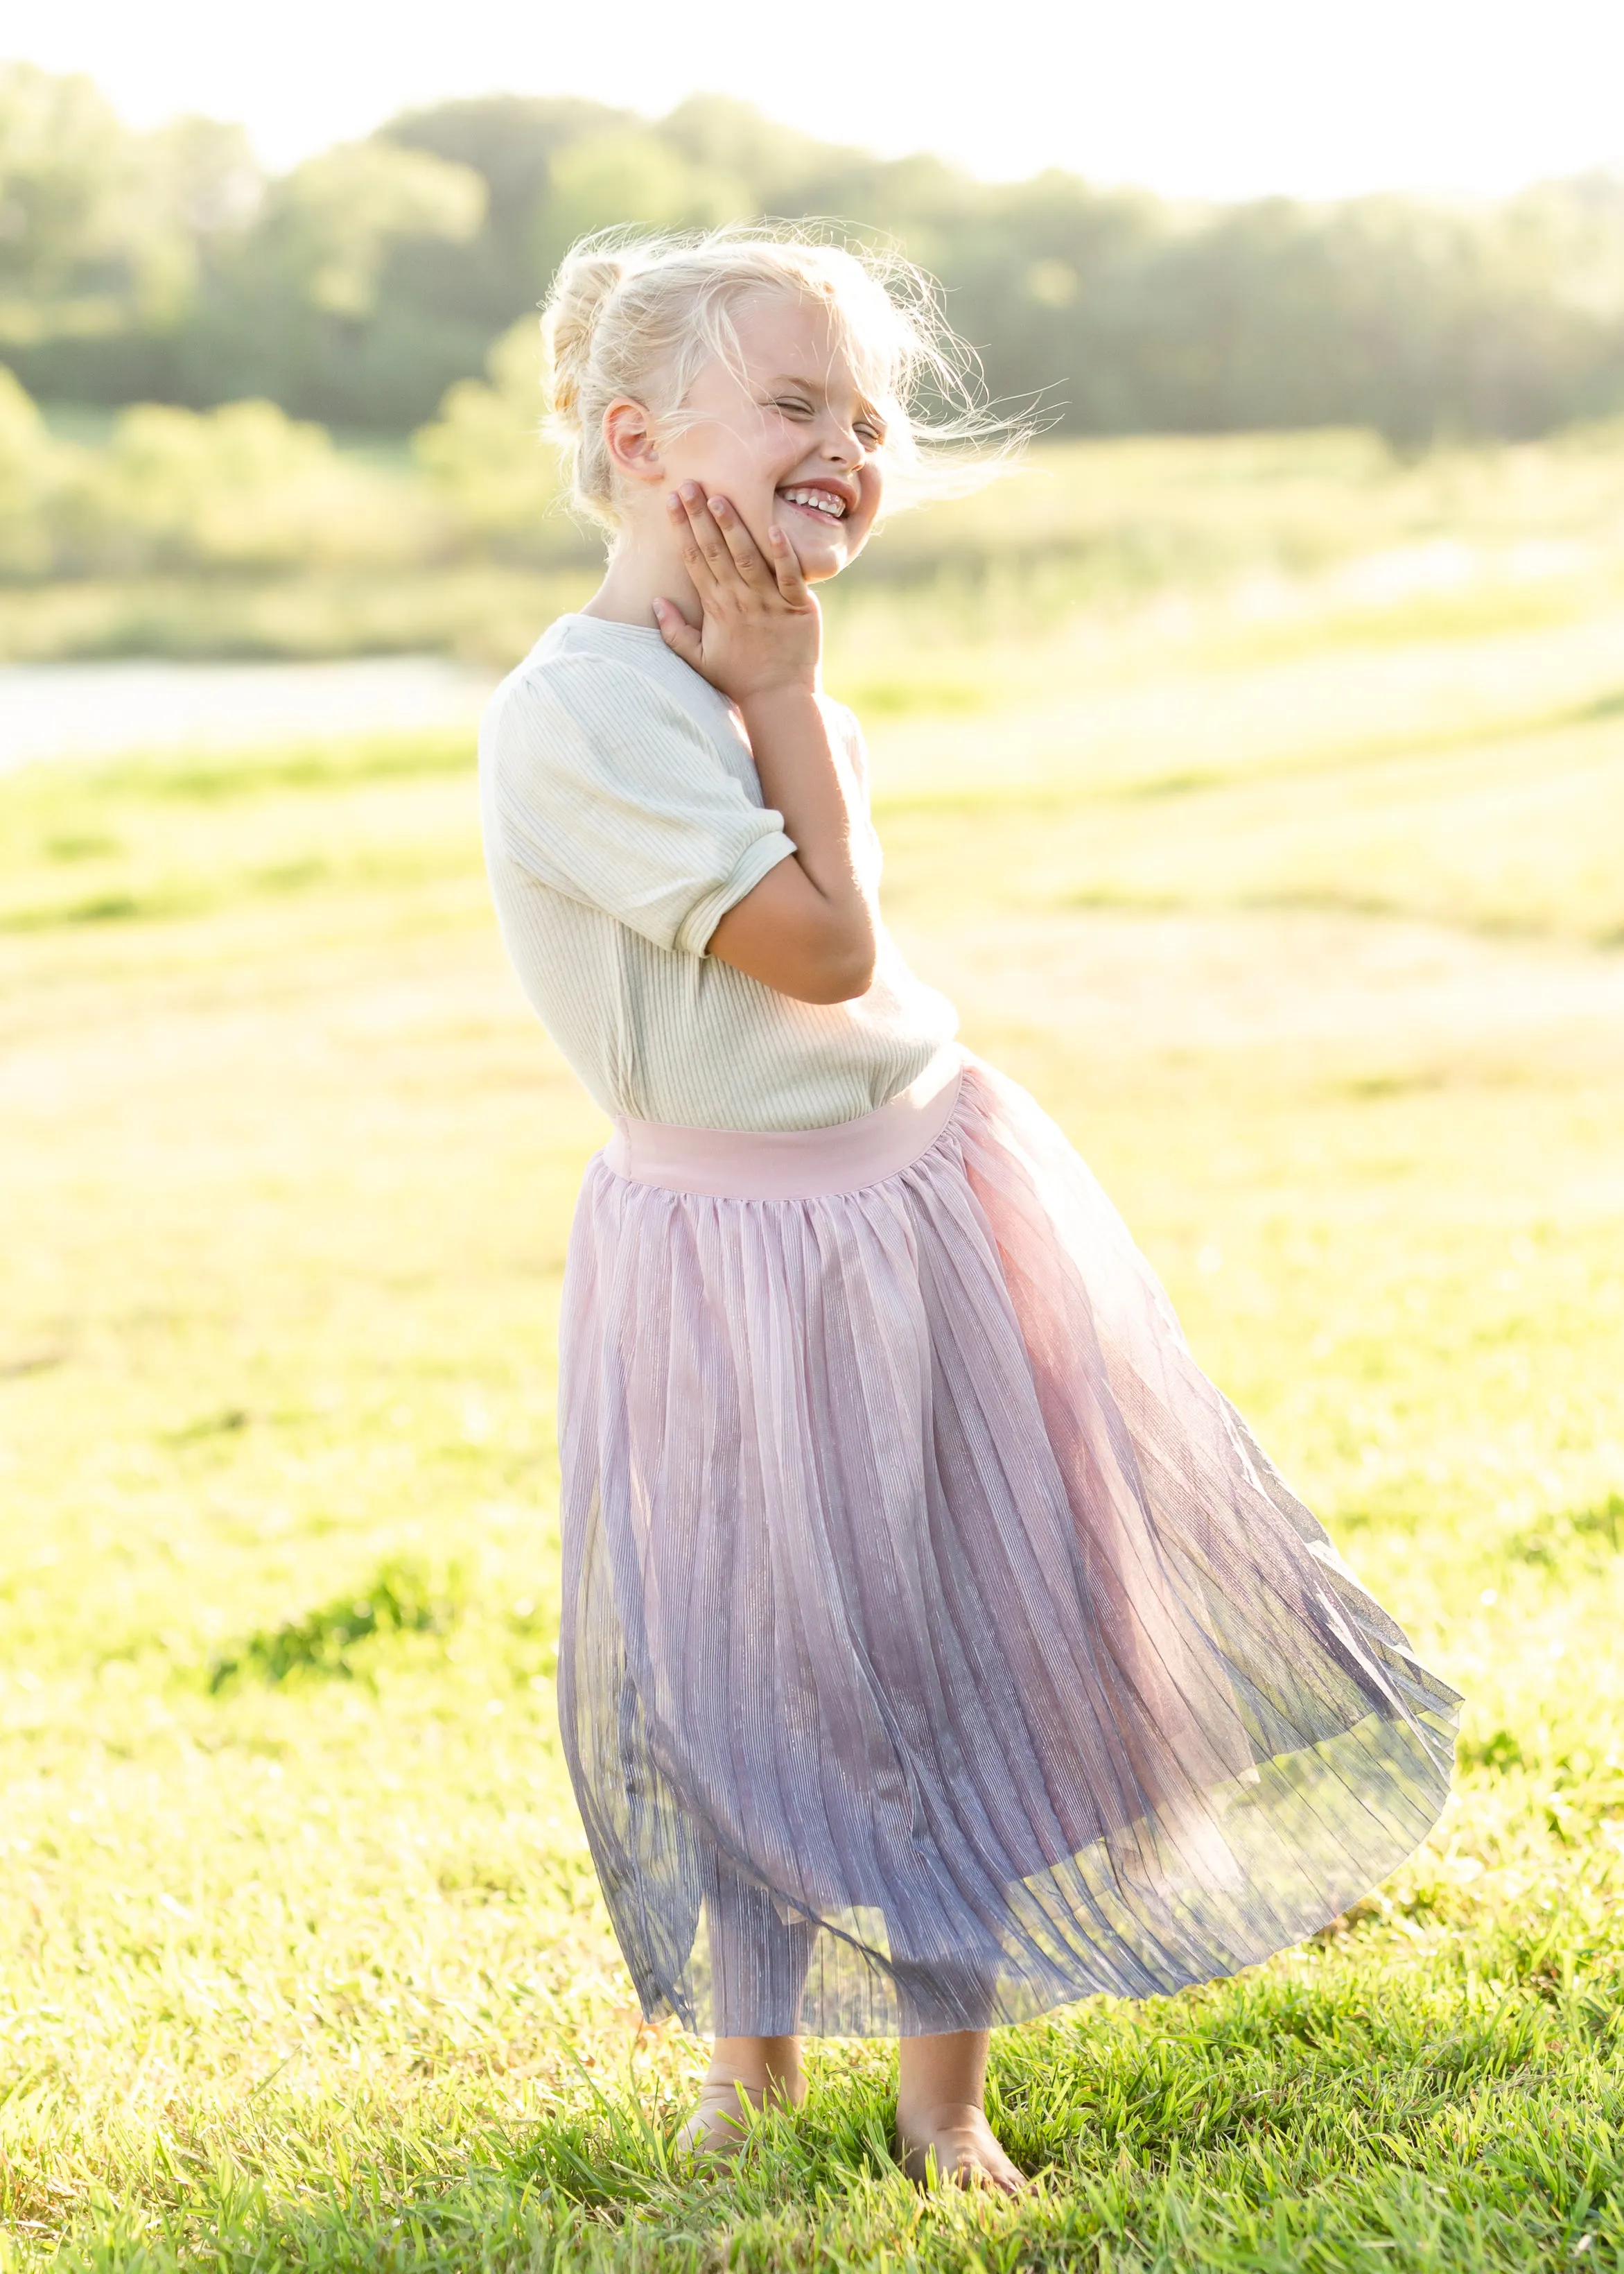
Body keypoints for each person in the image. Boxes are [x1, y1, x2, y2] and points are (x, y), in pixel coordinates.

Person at [478, 226, 1461, 2193]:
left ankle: (944, 2102)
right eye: (791, 406)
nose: (850, 442)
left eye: (869, 415)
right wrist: (778, 697)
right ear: (635, 436)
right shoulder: (583, 715)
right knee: (746, 1662)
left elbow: (847, 977)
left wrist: (781, 698)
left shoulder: (773, 682)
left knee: (943, 1642)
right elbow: (823, 947)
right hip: (732, 1252)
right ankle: (746, 2072)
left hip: (910, 1195)